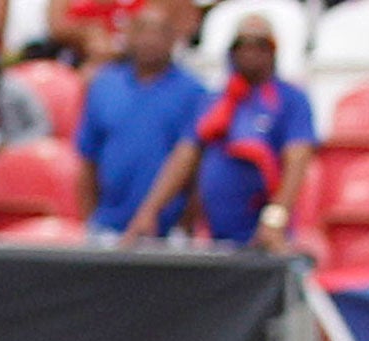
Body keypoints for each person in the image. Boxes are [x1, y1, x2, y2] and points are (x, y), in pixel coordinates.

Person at [120, 12, 313, 252]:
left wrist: (274, 219)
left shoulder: (290, 100)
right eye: (242, 46)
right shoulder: (216, 101)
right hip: (215, 234)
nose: (250, 53)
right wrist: (150, 211)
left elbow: (297, 162)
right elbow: (184, 157)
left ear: (273, 51)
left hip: (263, 235)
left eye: (260, 46)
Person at [74, 1, 205, 237]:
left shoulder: (194, 92)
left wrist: (184, 225)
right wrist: (89, 220)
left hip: (168, 231)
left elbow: (195, 164)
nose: (150, 39)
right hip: (106, 226)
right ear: (129, 35)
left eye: (159, 32)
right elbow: (88, 159)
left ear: (174, 38)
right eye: (143, 30)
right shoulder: (104, 85)